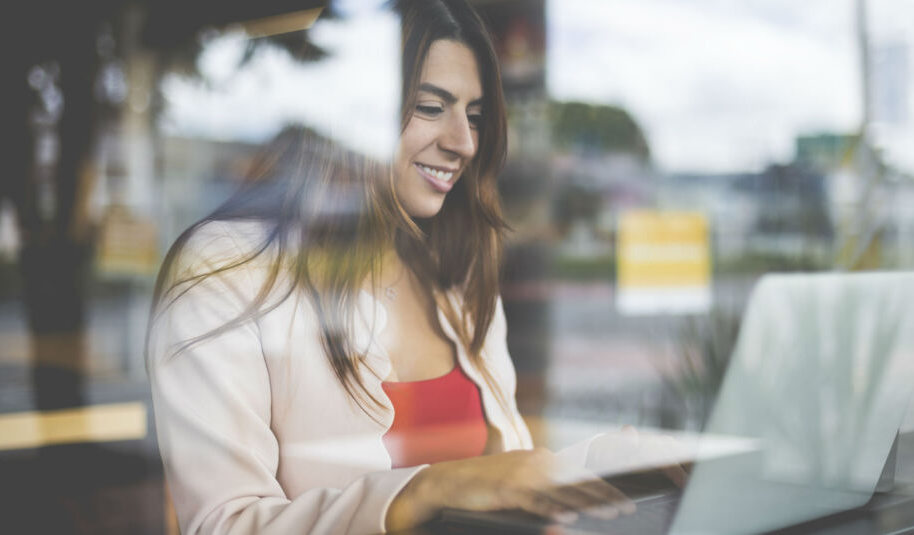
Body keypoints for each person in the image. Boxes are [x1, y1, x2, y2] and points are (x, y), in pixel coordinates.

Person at [146, 1, 632, 533]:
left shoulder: (458, 275)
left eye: (473, 116)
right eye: (430, 107)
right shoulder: (225, 273)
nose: (463, 142)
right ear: (356, 111)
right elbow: (224, 525)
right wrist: (425, 490)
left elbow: (497, 486)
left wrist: (596, 467)